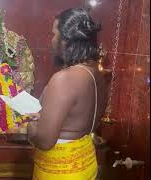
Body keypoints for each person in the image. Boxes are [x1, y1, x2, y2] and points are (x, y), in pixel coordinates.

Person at [27, 8, 108, 180]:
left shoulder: (64, 79)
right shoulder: (96, 73)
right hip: (86, 161)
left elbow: (45, 141)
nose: (52, 40)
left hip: (62, 171)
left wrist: (31, 127)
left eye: (54, 34)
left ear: (66, 41)